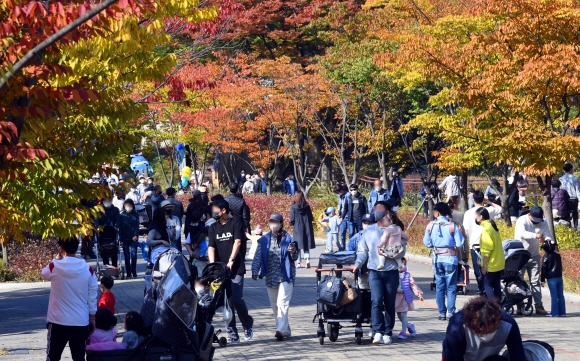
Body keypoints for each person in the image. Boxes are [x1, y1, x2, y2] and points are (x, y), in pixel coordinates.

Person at [352, 201, 406, 345]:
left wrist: (387, 253)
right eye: (376, 210)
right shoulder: (368, 231)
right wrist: (357, 264)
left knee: (389, 302)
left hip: (391, 272)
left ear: (388, 212)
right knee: (376, 300)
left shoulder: (396, 229)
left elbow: (402, 251)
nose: (378, 213)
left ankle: (388, 332)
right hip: (374, 271)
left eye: (381, 210)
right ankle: (377, 331)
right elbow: (362, 251)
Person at [41, 237, 98, 361]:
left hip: (58, 321)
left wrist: (55, 259)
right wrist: (92, 317)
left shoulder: (54, 266)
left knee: (53, 357)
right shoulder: (88, 270)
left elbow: (44, 273)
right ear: (77, 248)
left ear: (61, 249)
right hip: (80, 320)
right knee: (79, 357)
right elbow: (92, 295)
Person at [208, 200, 254, 343]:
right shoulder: (213, 227)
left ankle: (247, 324)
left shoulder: (236, 223)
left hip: (236, 268)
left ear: (223, 211)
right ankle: (233, 335)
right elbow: (211, 247)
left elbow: (238, 242)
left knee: (236, 299)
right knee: (226, 302)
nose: (213, 212)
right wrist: (212, 265)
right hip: (221, 270)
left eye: (215, 209)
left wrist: (231, 259)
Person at [252, 213, 298, 341]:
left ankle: (280, 330)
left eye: (275, 221)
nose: (273, 224)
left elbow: (295, 258)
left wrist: (293, 252)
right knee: (275, 305)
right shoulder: (264, 240)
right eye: (271, 221)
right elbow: (257, 257)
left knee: (282, 303)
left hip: (286, 276)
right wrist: (255, 270)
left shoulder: (289, 239)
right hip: (271, 277)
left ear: (281, 223)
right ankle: (286, 330)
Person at [442, 297, 526, 361]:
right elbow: (452, 357)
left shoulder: (509, 325)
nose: (485, 335)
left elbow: (518, 356)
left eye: (489, 330)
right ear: (470, 323)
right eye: (480, 332)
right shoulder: (457, 326)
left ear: (497, 323)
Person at [423, 202, 464, 320]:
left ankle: (441, 312)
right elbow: (460, 243)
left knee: (440, 286)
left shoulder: (431, 225)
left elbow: (427, 243)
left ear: (438, 212)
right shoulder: (452, 225)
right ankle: (450, 312)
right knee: (451, 287)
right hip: (451, 259)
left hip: (437, 259)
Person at [514, 206, 552, 315]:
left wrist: (547, 242)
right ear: (529, 215)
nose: (537, 223)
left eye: (539, 220)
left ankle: (539, 305)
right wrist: (536, 235)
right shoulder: (522, 220)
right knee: (518, 281)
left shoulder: (543, 223)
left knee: (535, 281)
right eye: (535, 220)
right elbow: (522, 233)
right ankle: (520, 304)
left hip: (534, 255)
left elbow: (548, 235)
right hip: (520, 255)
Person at [463, 190, 503, 295]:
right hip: (492, 251)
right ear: (483, 199)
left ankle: (483, 290)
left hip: (475, 245)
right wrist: (489, 202)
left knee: (479, 272)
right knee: (491, 277)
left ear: (472, 200)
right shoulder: (488, 210)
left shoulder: (468, 213)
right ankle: (487, 293)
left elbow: (465, 231)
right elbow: (500, 209)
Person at [476, 208, 504, 301]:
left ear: (480, 217)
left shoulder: (486, 230)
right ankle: (499, 308)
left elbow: (487, 249)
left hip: (491, 263)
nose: (475, 218)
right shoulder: (492, 227)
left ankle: (493, 307)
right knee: (497, 286)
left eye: (476, 216)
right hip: (499, 262)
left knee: (487, 286)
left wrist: (484, 265)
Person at [395, 258, 424, 340]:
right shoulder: (393, 274)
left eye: (402, 264)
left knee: (403, 315)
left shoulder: (407, 275)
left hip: (404, 297)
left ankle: (403, 332)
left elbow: (413, 285)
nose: (400, 267)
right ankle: (410, 326)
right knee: (399, 316)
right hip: (396, 298)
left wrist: (419, 294)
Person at [289, 191, 316, 268]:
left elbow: (292, 219)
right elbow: (311, 217)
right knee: (306, 244)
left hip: (297, 228)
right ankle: (307, 259)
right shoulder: (307, 206)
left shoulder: (293, 207)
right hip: (307, 227)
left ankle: (298, 263)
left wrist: (291, 224)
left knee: (297, 246)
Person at [540, 240, 565, 317]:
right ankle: (562, 312)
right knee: (561, 295)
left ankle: (554, 313)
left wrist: (542, 280)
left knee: (554, 296)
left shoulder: (546, 257)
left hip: (551, 278)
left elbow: (544, 269)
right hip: (559, 277)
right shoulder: (558, 256)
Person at [95, 197, 120, 267]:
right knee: (103, 249)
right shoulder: (99, 210)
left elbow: (117, 220)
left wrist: (116, 226)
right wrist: (98, 227)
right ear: (103, 201)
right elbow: (96, 220)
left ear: (111, 200)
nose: (107, 202)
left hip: (112, 231)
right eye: (106, 200)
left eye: (109, 200)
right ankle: (106, 266)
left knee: (114, 249)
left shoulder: (115, 210)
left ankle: (115, 266)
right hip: (102, 232)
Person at [119, 199, 140, 278]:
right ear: (124, 206)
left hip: (133, 238)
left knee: (134, 255)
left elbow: (137, 226)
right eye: (127, 206)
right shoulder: (121, 215)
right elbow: (120, 228)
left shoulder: (136, 215)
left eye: (130, 206)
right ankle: (128, 272)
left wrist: (136, 235)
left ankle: (133, 270)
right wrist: (120, 239)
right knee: (127, 256)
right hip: (124, 238)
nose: (128, 207)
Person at [560, 163, 580, 228]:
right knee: (575, 213)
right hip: (573, 198)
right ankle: (576, 226)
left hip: (564, 198)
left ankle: (568, 227)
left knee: (566, 213)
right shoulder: (575, 179)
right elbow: (578, 190)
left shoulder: (561, 179)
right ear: (571, 169)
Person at [335, 184, 349, 250]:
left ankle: (350, 247)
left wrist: (342, 217)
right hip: (341, 217)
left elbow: (347, 208)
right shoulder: (339, 196)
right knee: (342, 232)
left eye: (338, 192)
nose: (338, 193)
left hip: (348, 216)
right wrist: (338, 210)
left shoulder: (348, 195)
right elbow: (339, 204)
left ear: (341, 190)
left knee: (351, 233)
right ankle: (342, 247)